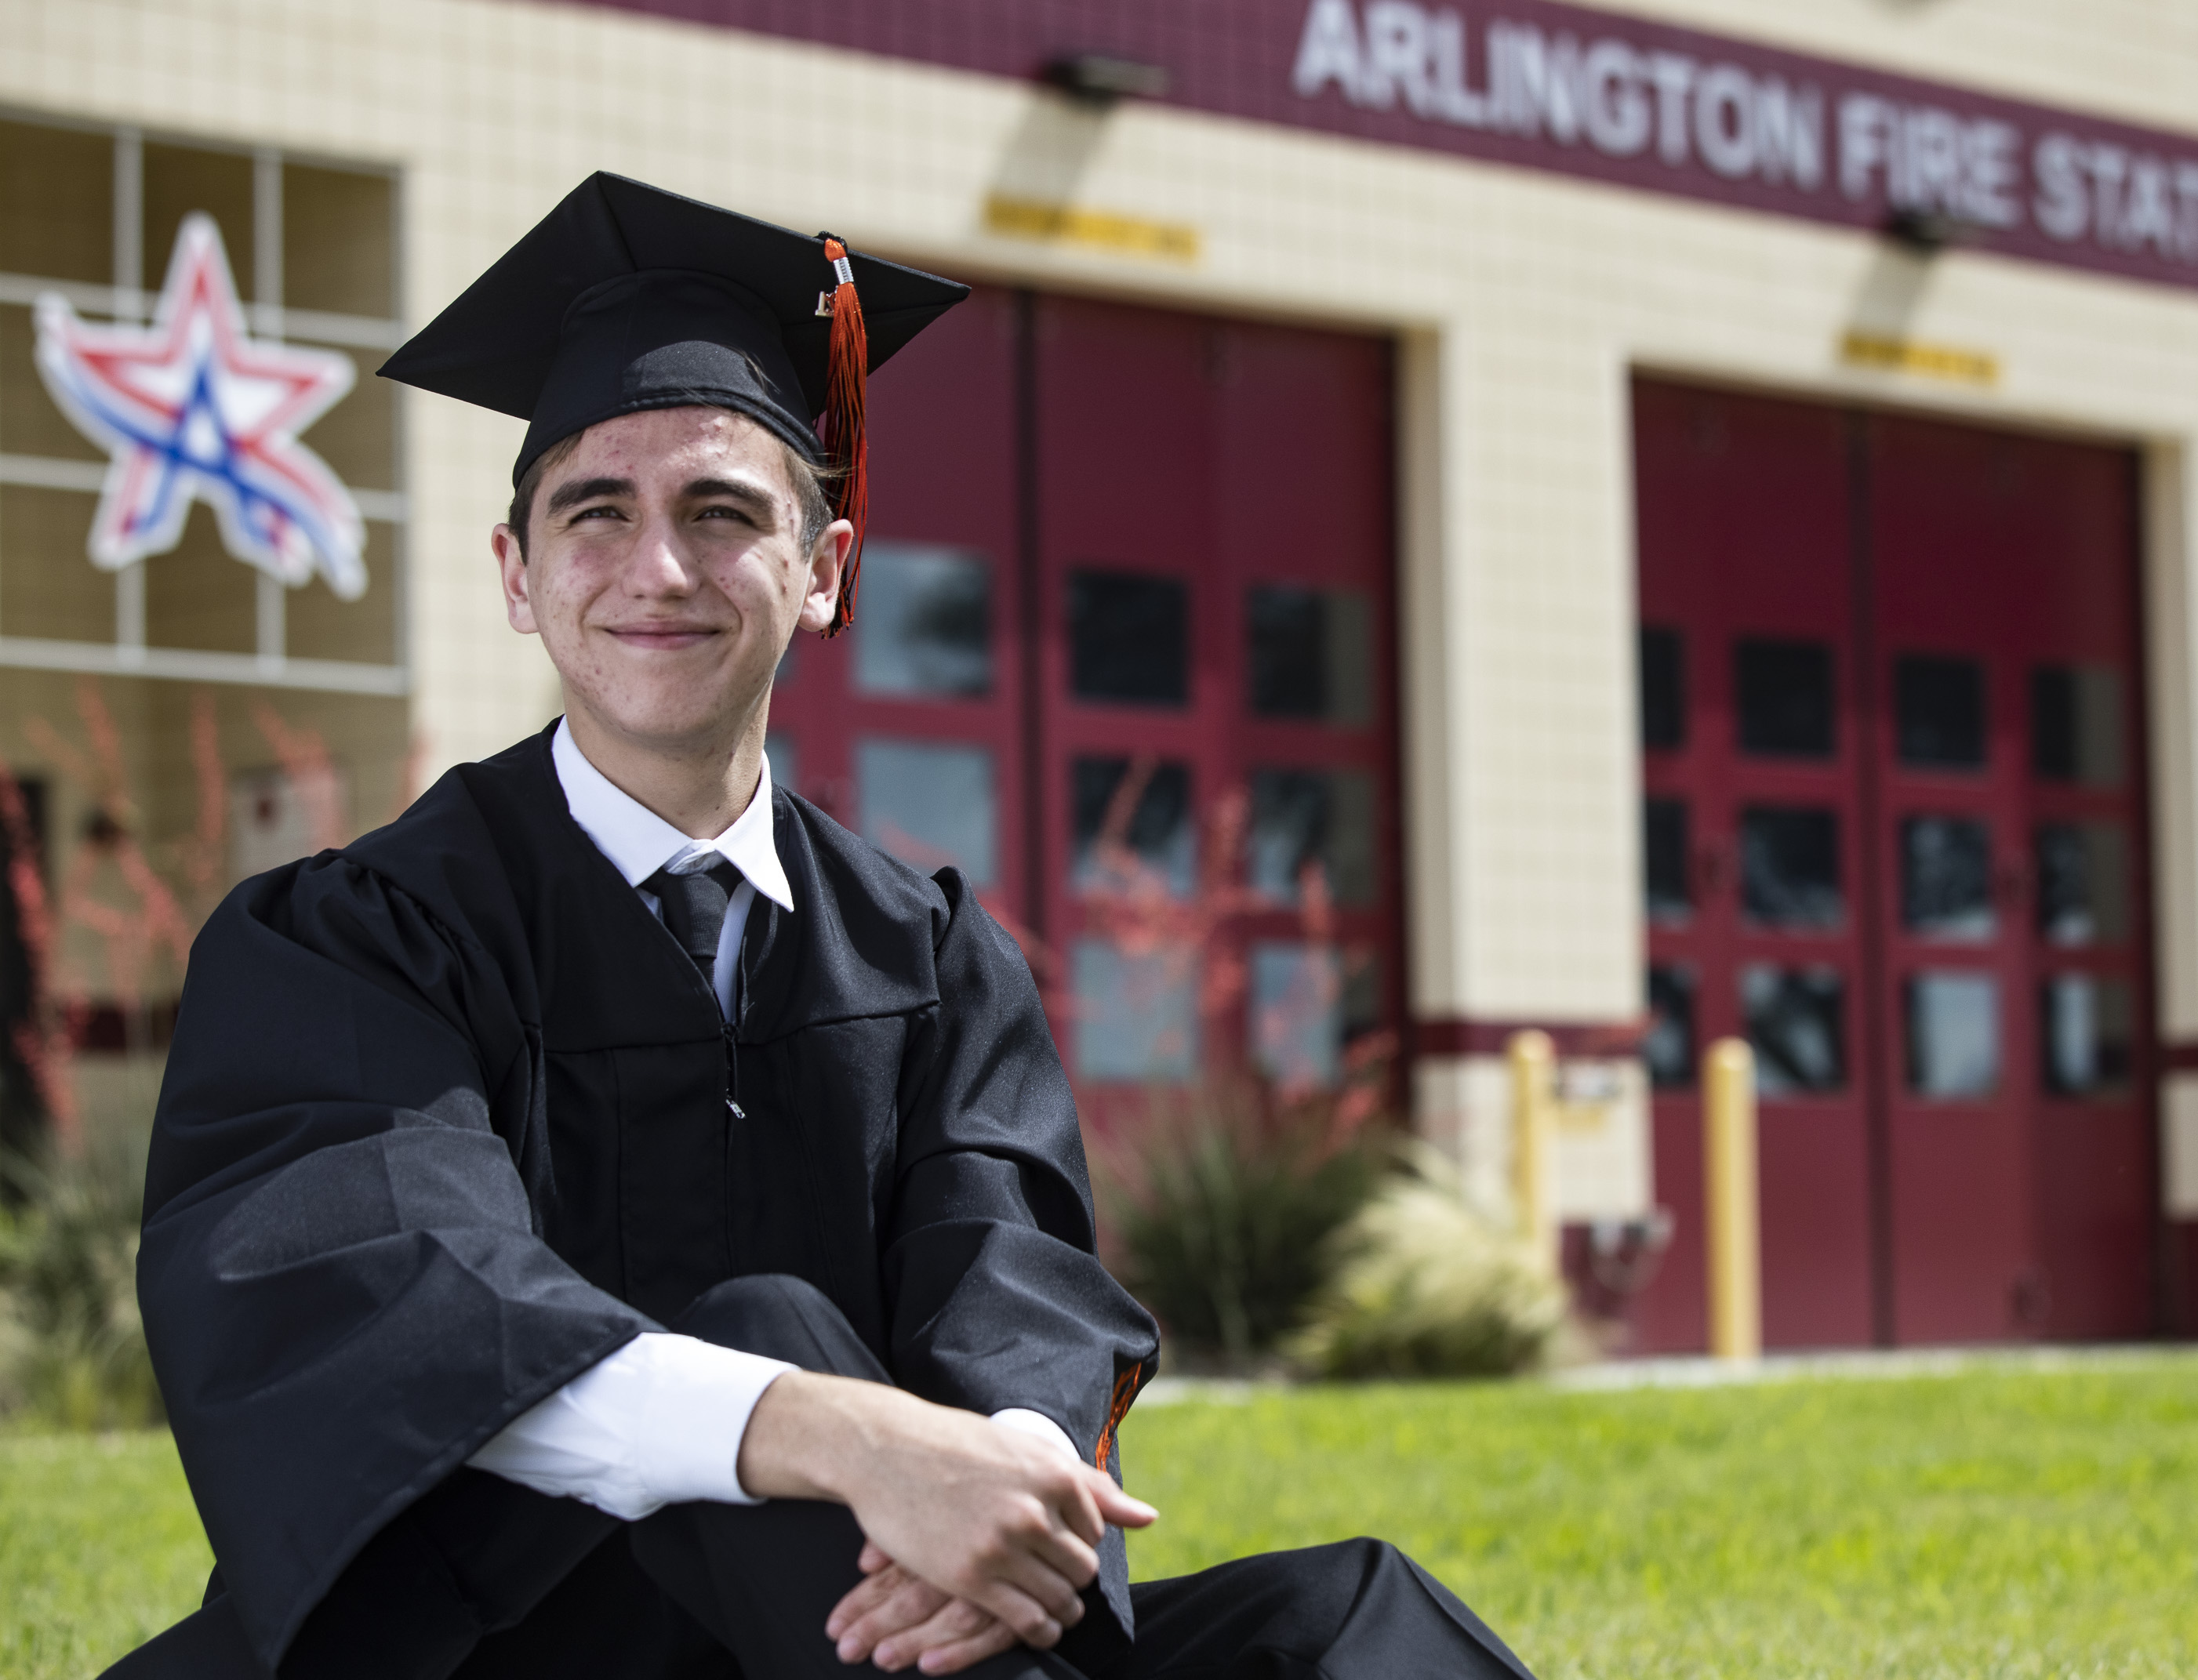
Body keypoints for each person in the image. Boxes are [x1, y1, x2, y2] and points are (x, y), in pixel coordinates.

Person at [105, 174, 1538, 1680]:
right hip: (515, 1646)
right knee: (767, 1325)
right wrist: (827, 1435)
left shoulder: (925, 951)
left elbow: (1012, 1276)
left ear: (826, 572)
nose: (658, 567)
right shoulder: (360, 939)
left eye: (722, 512)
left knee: (1352, 1625)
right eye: (596, 511)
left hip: (876, 1630)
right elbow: (402, 1305)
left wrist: (995, 1492)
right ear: (518, 575)